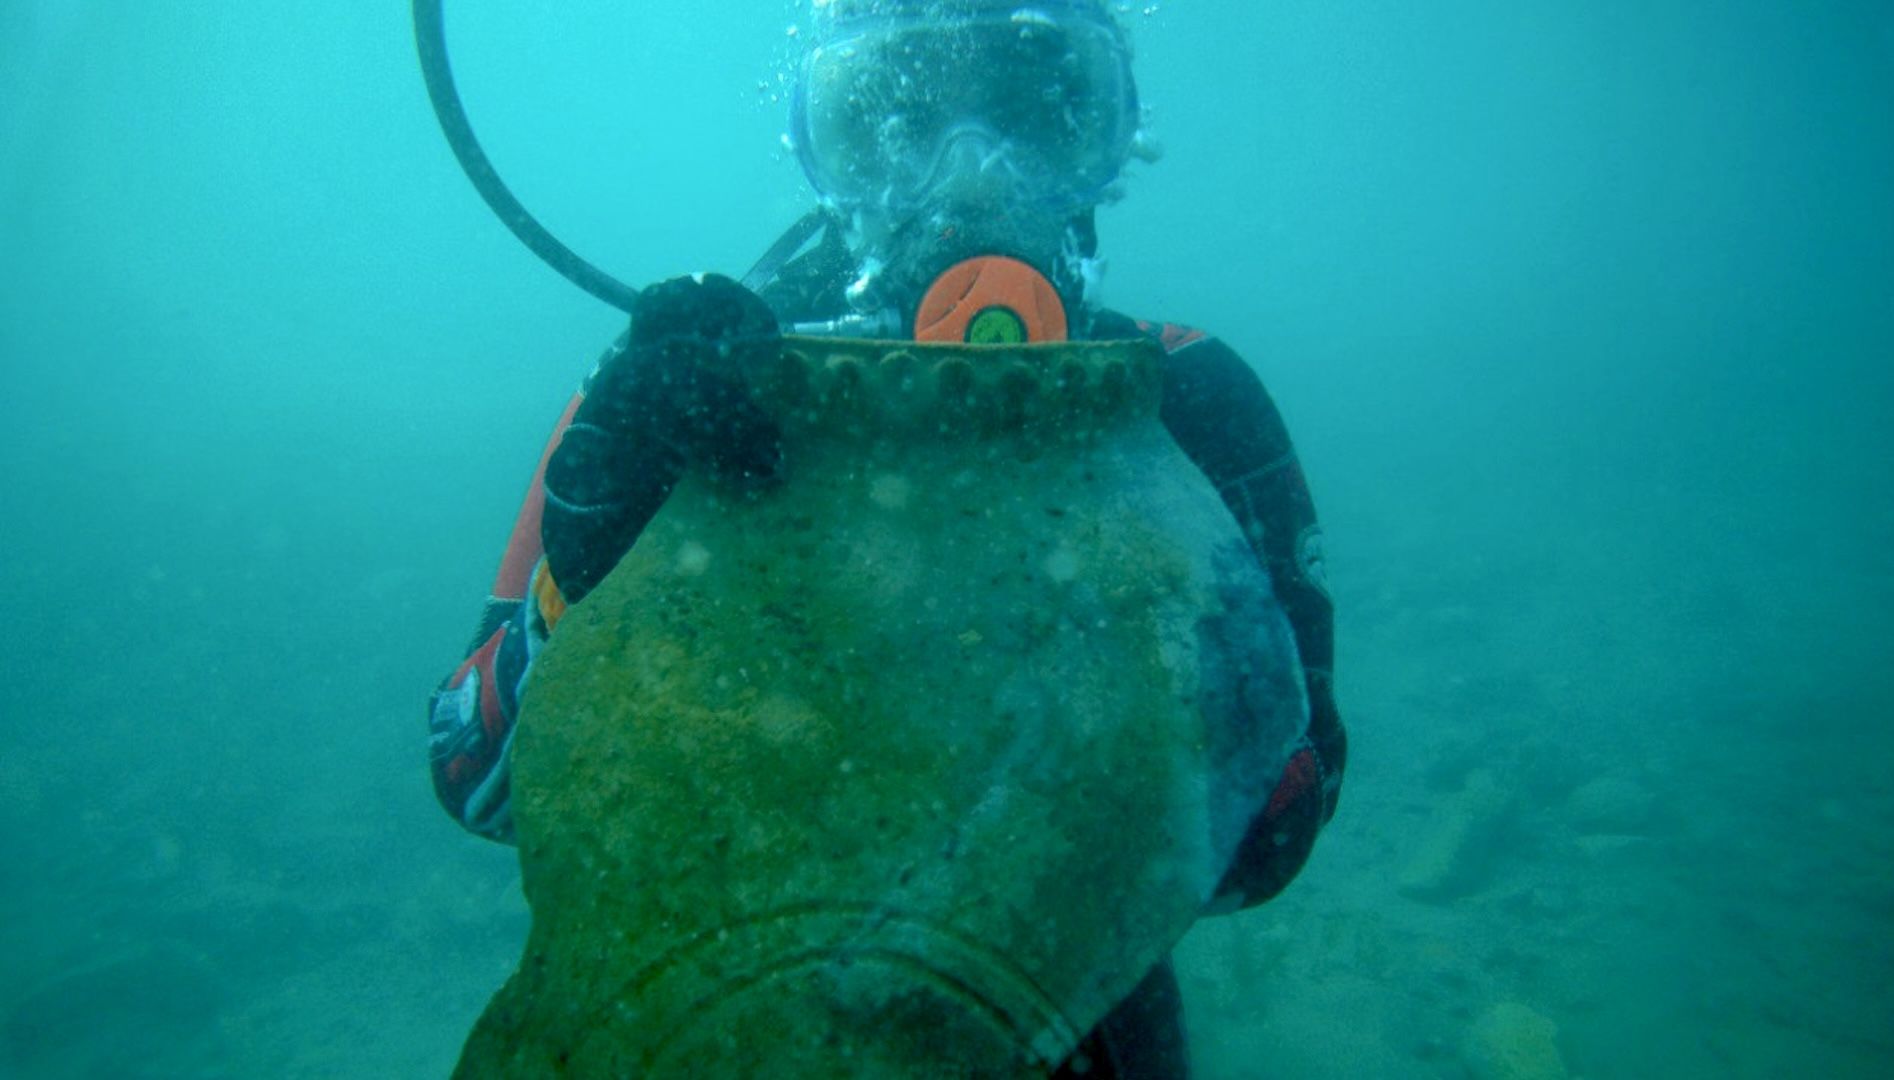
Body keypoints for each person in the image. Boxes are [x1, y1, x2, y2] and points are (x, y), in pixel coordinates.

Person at [426, 1, 1346, 1075]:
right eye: (891, 125)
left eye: (1034, 113)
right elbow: (476, 775)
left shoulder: (1187, 410)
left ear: (1108, 143)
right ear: (821, 157)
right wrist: (582, 582)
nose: (968, 177)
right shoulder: (676, 393)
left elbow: (1280, 831)